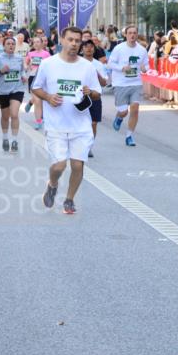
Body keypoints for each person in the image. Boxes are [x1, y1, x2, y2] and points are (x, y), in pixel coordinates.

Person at [31, 26, 101, 215]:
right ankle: (52, 184)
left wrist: (90, 92)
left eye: (77, 41)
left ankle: (69, 200)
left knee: (77, 165)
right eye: (70, 40)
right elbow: (35, 88)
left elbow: (97, 93)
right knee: (60, 165)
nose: (74, 44)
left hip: (81, 125)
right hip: (56, 125)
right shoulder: (48, 64)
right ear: (61, 40)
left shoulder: (87, 66)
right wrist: (47, 97)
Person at [106, 25, 148, 147]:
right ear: (126, 35)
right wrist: (122, 68)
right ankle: (119, 117)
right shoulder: (119, 49)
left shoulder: (142, 50)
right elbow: (110, 64)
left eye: (134, 33)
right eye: (130, 33)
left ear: (137, 34)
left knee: (135, 109)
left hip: (136, 83)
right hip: (121, 83)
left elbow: (146, 65)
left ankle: (129, 136)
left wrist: (144, 69)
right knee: (124, 112)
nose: (132, 35)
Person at [0, 36, 28, 152]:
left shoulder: (19, 58)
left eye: (13, 44)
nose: (11, 46)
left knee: (14, 114)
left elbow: (22, 71)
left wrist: (24, 76)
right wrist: (0, 71)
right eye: (8, 44)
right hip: (2, 91)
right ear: (4, 46)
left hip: (17, 89)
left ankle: (14, 140)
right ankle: (5, 137)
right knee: (5, 116)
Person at [80, 40, 107, 157]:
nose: (89, 49)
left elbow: (104, 83)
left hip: (94, 96)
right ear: (82, 49)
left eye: (91, 47)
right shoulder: (78, 62)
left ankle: (89, 146)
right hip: (80, 96)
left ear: (94, 49)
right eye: (86, 47)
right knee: (80, 123)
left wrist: (96, 73)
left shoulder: (98, 64)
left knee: (94, 123)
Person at [24, 36, 51, 130]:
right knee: (38, 101)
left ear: (42, 43)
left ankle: (30, 102)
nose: (36, 44)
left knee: (40, 98)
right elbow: (25, 64)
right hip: (33, 77)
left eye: (38, 42)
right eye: (34, 42)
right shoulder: (30, 54)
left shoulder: (46, 54)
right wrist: (27, 66)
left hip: (43, 79)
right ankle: (38, 121)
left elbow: (51, 66)